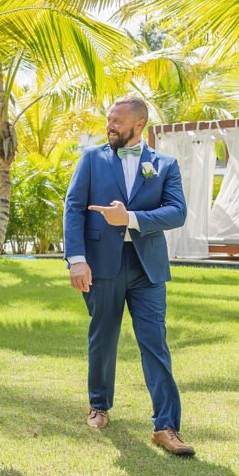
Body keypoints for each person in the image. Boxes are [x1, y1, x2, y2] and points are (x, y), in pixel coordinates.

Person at [63, 96, 194, 456]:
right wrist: (76, 259)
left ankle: (166, 426)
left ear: (139, 125)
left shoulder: (164, 165)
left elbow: (177, 212)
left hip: (147, 266)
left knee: (155, 343)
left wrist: (131, 219)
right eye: (109, 119)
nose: (110, 126)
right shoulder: (91, 159)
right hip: (100, 264)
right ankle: (99, 405)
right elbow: (72, 208)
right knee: (103, 336)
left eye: (117, 121)